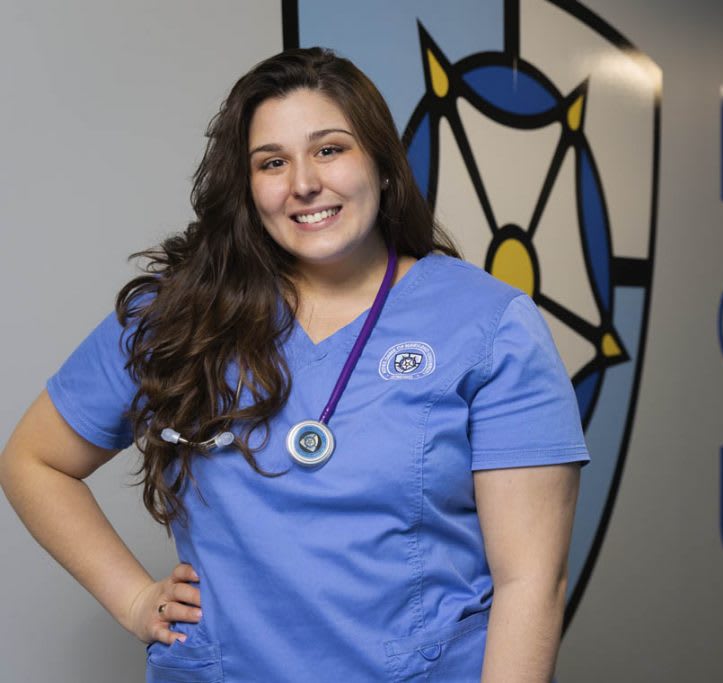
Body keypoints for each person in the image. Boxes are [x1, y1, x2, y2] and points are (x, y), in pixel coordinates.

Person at [0, 47, 588, 682]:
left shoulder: (487, 325)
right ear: (248, 187)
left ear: (382, 164)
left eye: (330, 149)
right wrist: (135, 598)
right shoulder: (178, 316)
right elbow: (34, 461)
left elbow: (531, 581)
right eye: (272, 162)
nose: (304, 182)